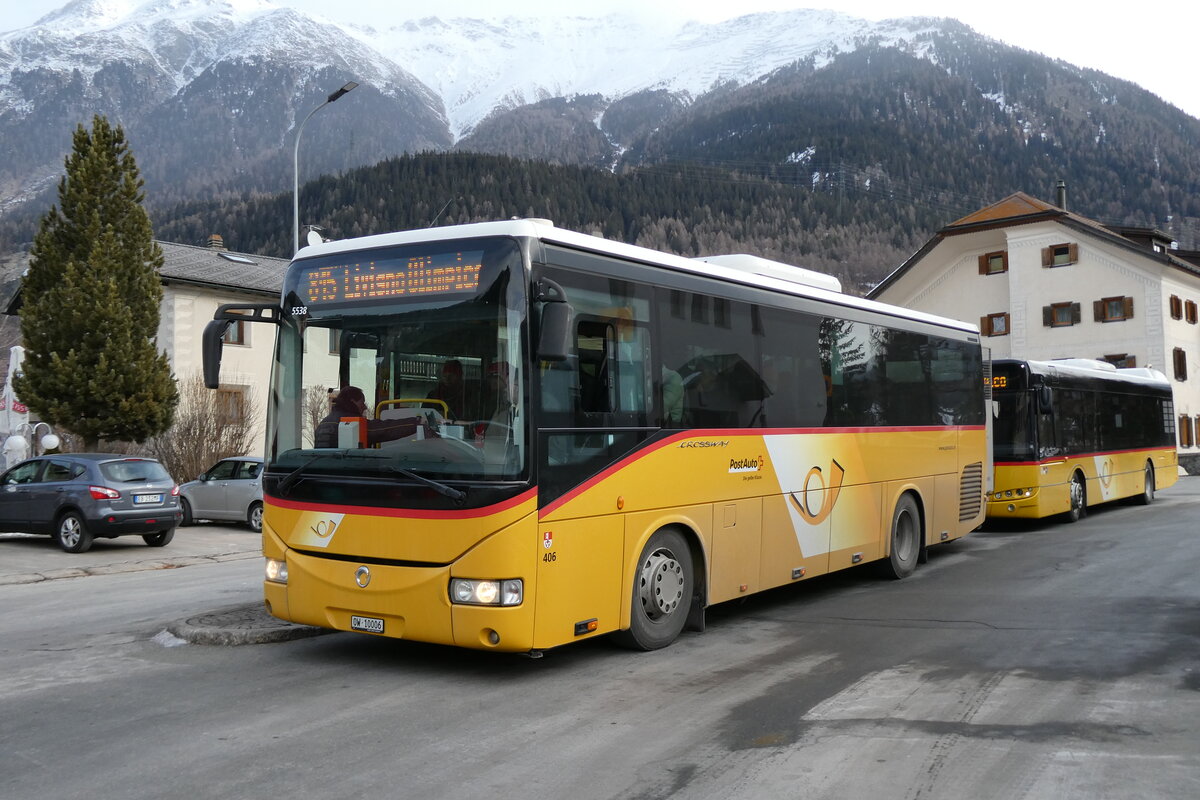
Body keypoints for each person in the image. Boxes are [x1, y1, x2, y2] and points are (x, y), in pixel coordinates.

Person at [314, 386, 429, 448]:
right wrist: (418, 423)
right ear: (352, 401)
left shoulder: (324, 423)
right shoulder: (352, 423)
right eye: (362, 403)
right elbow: (384, 430)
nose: (365, 407)